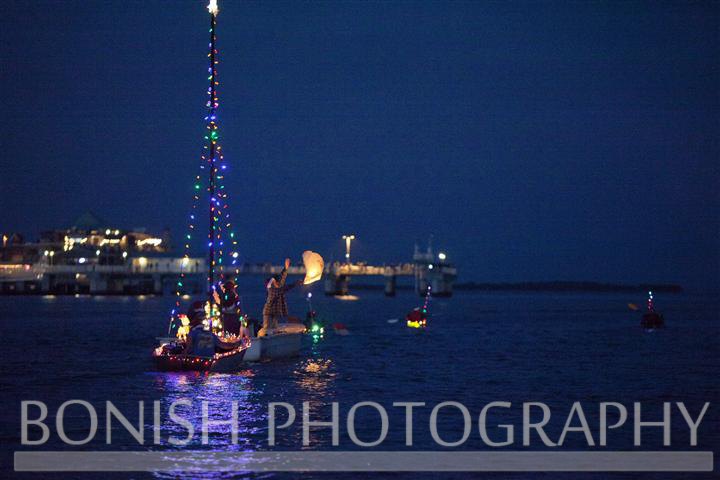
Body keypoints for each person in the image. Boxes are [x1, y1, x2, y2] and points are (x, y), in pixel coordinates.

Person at [262, 258, 301, 335]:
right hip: (268, 313)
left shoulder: (276, 285)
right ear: (273, 282)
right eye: (277, 282)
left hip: (274, 313)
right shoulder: (272, 289)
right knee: (267, 331)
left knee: (274, 330)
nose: (279, 283)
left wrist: (286, 268)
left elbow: (282, 279)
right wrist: (295, 283)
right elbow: (283, 289)